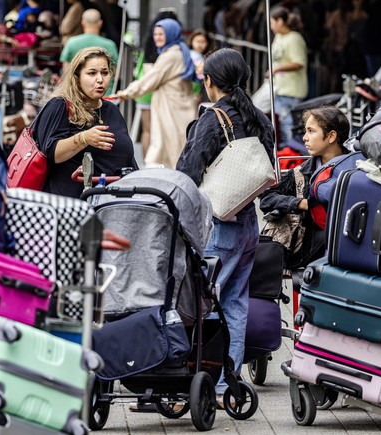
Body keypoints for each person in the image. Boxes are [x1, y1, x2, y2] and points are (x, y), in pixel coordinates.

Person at [176, 48, 275, 406]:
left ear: (210, 82)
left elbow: (187, 170)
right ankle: (225, 383)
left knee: (207, 303)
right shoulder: (258, 117)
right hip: (248, 221)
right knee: (235, 303)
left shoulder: (213, 118)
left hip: (219, 224)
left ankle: (205, 379)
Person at [34, 47, 136, 199]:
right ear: (77, 77)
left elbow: (128, 157)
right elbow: (51, 153)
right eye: (92, 73)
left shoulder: (111, 109)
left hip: (112, 203)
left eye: (105, 73)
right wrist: (84, 139)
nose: (100, 79)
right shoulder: (60, 106)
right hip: (69, 204)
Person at [260, 106, 350, 267]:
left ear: (331, 136)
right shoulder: (301, 173)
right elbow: (267, 199)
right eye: (306, 131)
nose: (304, 138)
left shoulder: (357, 170)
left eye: (311, 131)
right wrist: (300, 203)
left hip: (349, 251)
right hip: (312, 256)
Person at [116, 18, 198, 169]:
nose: (157, 37)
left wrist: (126, 93)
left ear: (171, 34)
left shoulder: (171, 55)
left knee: (171, 145)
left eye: (161, 34)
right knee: (173, 145)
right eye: (155, 34)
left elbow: (150, 79)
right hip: (177, 106)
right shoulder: (178, 50)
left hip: (172, 108)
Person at [269, 5, 308, 149]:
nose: (271, 26)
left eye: (272, 23)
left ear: (279, 21)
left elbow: (299, 62)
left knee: (288, 127)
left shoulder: (295, 39)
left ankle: (291, 157)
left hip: (292, 91)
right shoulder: (278, 37)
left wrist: (277, 69)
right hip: (280, 88)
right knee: (281, 126)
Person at [60, 8, 119, 95]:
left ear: (83, 23)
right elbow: (115, 73)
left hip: (78, 96)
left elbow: (66, 72)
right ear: (100, 23)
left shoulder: (71, 42)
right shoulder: (110, 45)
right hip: (104, 96)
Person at [187, 28, 213, 103]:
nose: (200, 45)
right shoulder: (192, 56)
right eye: (197, 41)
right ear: (191, 41)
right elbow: (199, 75)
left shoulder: (203, 56)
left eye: (203, 42)